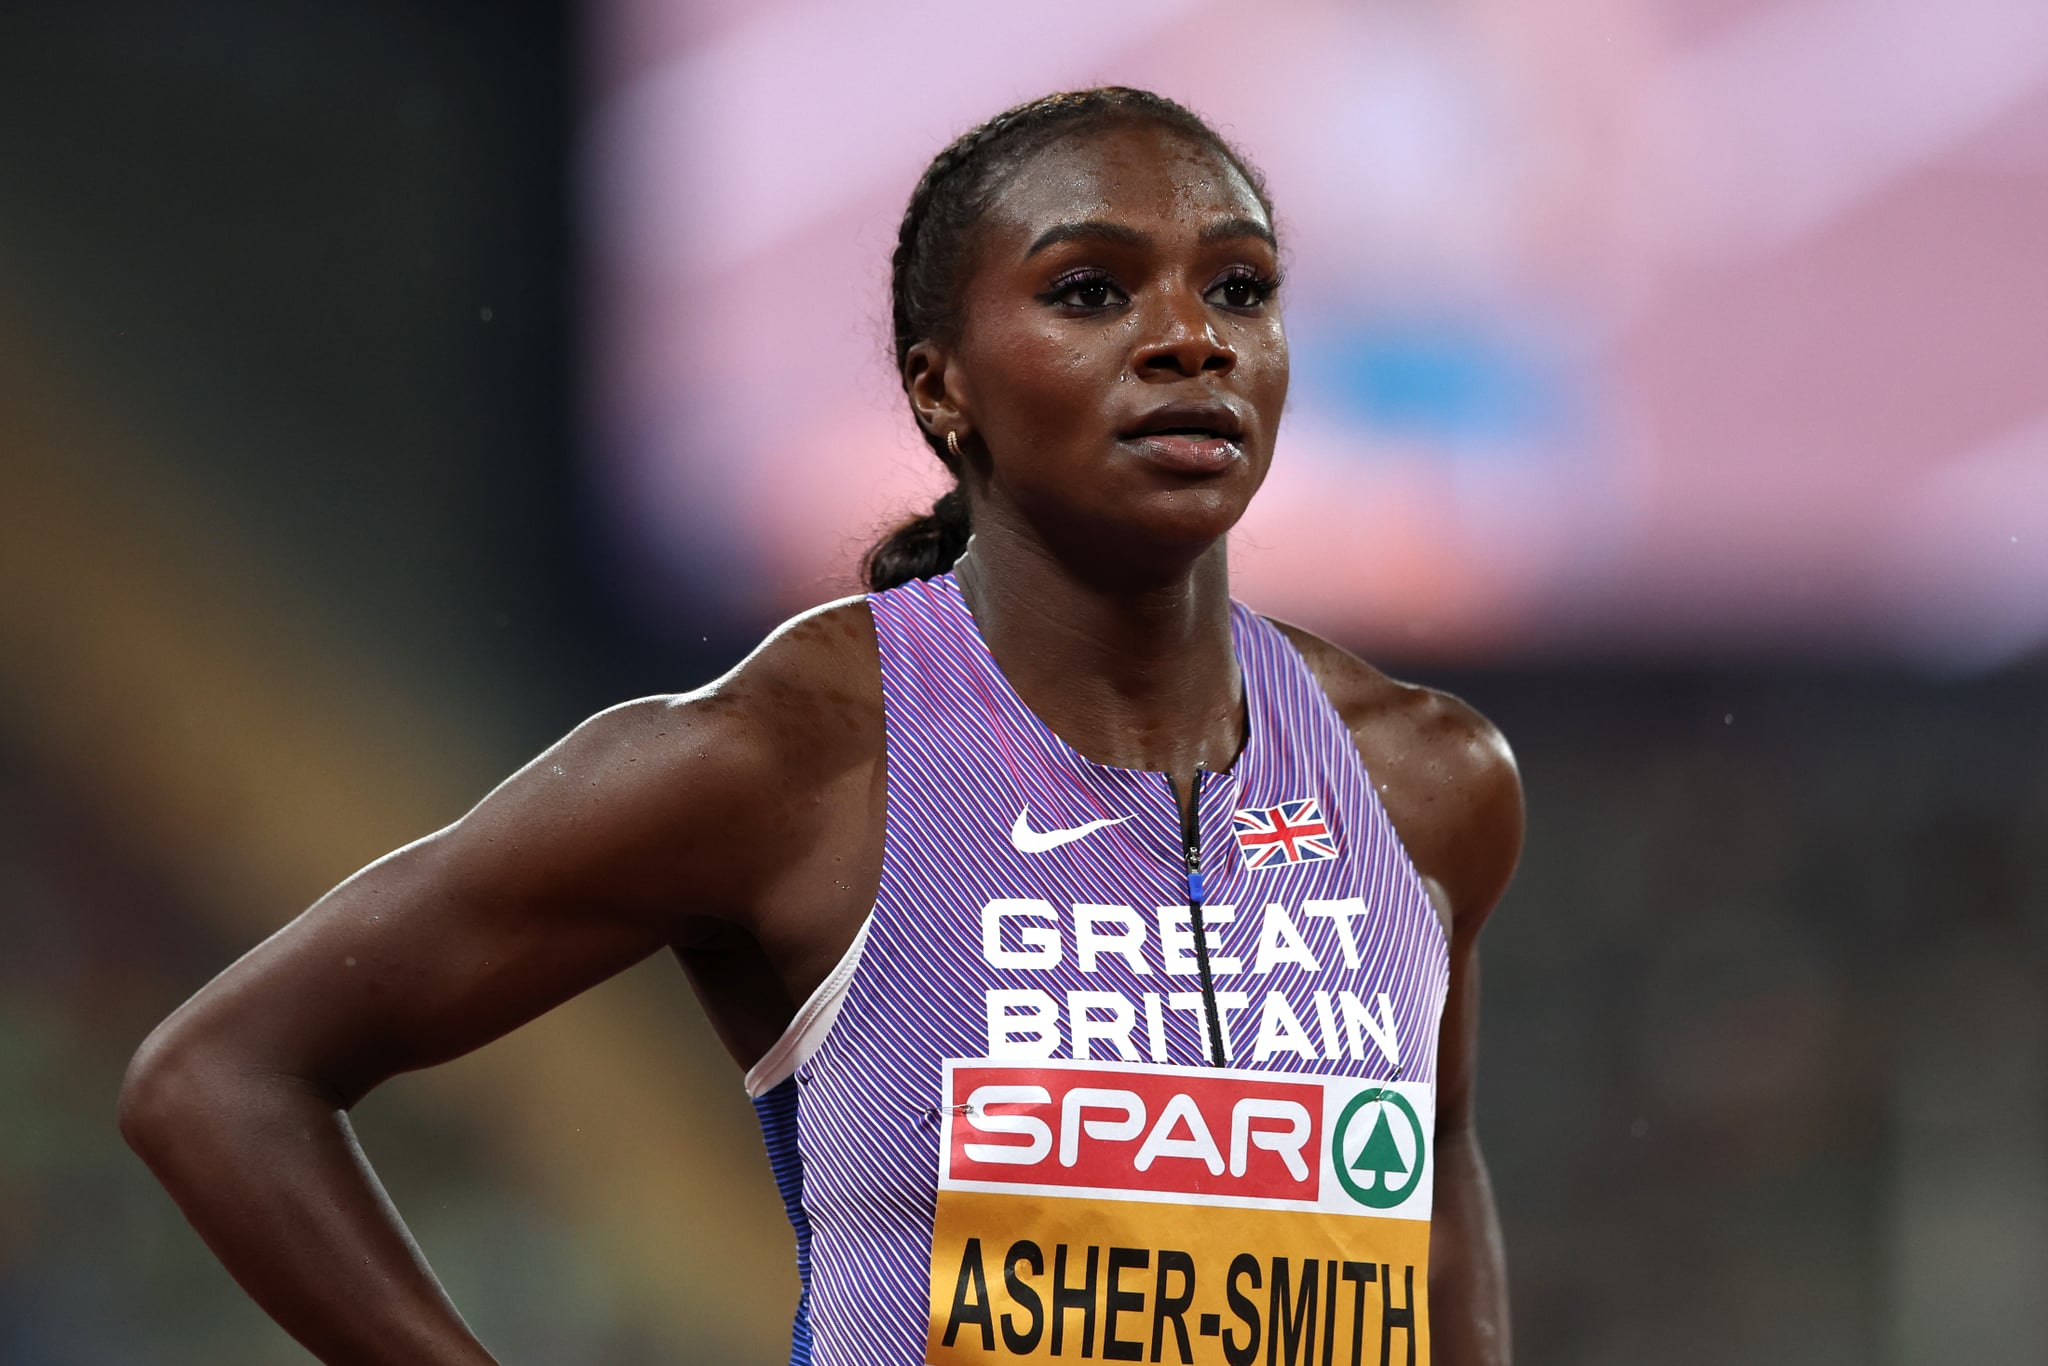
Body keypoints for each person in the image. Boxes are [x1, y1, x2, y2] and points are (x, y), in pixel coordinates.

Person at [119, 87, 1522, 1366]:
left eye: (1241, 287)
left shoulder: (1424, 778)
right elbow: (221, 1080)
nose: (1190, 338)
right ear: (939, 386)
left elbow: (1433, 1176)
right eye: (1091, 291)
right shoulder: (797, 757)